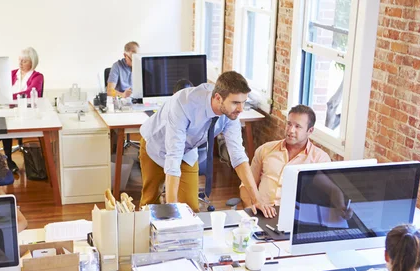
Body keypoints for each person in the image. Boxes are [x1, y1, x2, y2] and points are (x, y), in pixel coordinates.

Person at [139, 70, 275, 217]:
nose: (241, 109)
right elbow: (173, 157)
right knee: (150, 205)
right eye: (236, 103)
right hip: (155, 145)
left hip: (187, 151)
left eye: (243, 102)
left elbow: (238, 156)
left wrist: (257, 200)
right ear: (218, 98)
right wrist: (172, 211)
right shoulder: (184, 104)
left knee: (191, 210)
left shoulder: (231, 114)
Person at [240, 105, 331, 207]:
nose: (291, 130)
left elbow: (328, 194)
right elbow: (246, 186)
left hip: (294, 216)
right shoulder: (265, 150)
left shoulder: (320, 159)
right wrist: (250, 210)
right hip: (261, 211)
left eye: (297, 126)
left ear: (310, 131)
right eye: (289, 124)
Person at [5, 47, 44, 172]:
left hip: (27, 111)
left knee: (8, 125)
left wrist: (9, 98)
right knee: (4, 126)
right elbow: (1, 88)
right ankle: (8, 160)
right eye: (20, 60)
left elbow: (30, 93)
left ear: (32, 62)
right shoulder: (11, 74)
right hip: (9, 109)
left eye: (24, 61)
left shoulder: (37, 76)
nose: (20, 63)